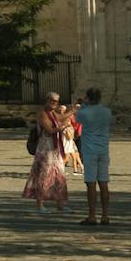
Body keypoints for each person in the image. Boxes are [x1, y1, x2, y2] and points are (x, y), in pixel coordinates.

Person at [22, 92, 72, 213]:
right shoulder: (43, 114)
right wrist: (64, 126)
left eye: (56, 101)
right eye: (52, 101)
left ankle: (60, 204)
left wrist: (73, 110)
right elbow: (50, 130)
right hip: (45, 149)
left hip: (55, 149)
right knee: (43, 176)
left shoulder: (53, 113)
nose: (54, 103)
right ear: (47, 100)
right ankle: (40, 205)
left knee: (59, 176)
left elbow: (61, 117)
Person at [75, 86, 114, 225]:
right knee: (104, 183)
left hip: (90, 150)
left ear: (88, 98)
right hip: (103, 149)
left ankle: (92, 215)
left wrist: (84, 104)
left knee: (90, 183)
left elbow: (77, 119)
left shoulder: (84, 112)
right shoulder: (106, 111)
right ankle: (105, 215)